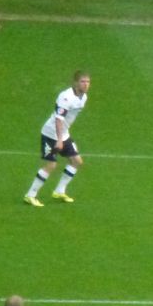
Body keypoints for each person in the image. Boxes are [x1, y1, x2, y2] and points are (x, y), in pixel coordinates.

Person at [23, 70, 91, 206]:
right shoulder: (66, 97)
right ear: (75, 82)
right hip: (50, 134)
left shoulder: (83, 97)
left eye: (88, 82)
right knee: (51, 165)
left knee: (77, 161)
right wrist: (59, 140)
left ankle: (59, 191)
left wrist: (63, 137)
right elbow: (59, 120)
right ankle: (30, 195)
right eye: (83, 81)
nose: (86, 84)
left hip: (64, 134)